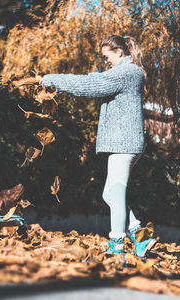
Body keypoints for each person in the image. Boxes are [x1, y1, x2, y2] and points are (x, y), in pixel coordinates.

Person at [41, 34, 157, 257]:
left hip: (123, 144)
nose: (105, 61)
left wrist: (52, 80)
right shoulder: (128, 72)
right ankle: (141, 237)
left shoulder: (127, 72)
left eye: (107, 56)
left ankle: (117, 246)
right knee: (110, 195)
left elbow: (92, 85)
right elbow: (101, 80)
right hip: (125, 143)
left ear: (119, 52)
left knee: (116, 192)